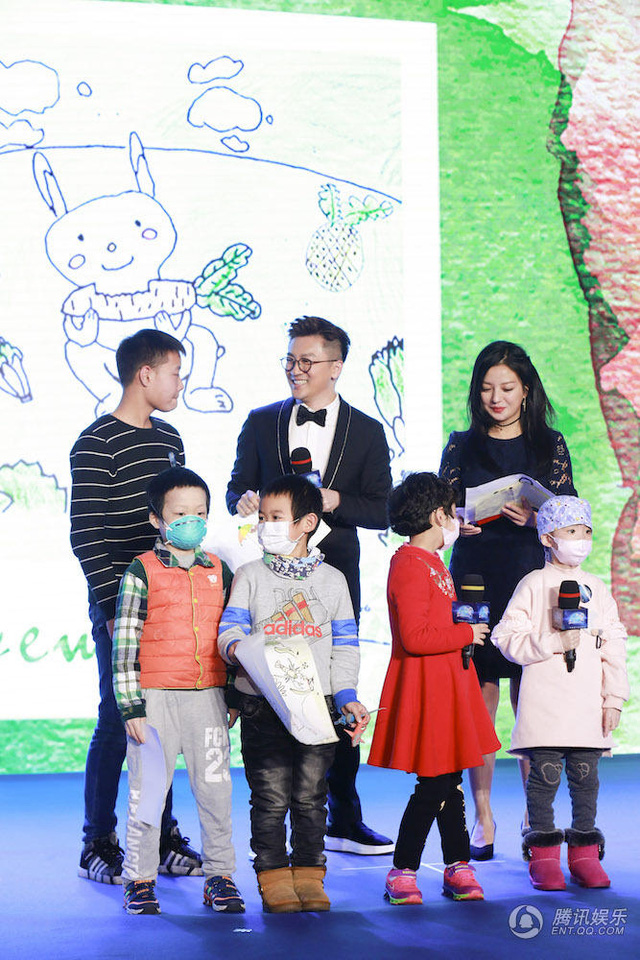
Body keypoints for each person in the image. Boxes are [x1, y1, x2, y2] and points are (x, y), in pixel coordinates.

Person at [226, 315, 393, 855]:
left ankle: (343, 815)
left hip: (334, 577)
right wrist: (244, 500)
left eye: (307, 362)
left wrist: (337, 501)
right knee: (274, 685)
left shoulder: (367, 431)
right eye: (290, 361)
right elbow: (235, 488)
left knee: (336, 687)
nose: (295, 371)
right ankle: (273, 825)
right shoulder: (261, 421)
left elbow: (383, 509)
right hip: (270, 577)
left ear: (336, 366)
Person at [70, 329, 202, 883]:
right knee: (115, 716)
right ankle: (97, 841)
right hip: (119, 605)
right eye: (175, 373)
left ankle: (162, 836)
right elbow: (86, 534)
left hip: (171, 600)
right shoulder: (95, 442)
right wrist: (113, 607)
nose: (180, 383)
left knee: (163, 719)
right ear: (145, 375)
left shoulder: (170, 438)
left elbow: (182, 524)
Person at [439, 340, 576, 859]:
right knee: (480, 698)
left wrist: (538, 518)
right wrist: (455, 521)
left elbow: (570, 516)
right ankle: (483, 815)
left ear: (525, 391)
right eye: (486, 388)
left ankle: (535, 814)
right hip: (475, 577)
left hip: (529, 577)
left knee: (531, 700)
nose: (495, 398)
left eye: (507, 388)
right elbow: (441, 512)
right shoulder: (461, 446)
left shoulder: (549, 445)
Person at [218, 474, 369, 912]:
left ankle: (309, 874)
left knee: (310, 797)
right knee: (269, 798)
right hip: (261, 704)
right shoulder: (249, 575)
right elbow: (229, 630)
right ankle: (272, 877)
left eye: (276, 517)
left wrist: (346, 695)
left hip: (316, 706)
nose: (265, 525)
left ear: (307, 523)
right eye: (262, 517)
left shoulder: (334, 580)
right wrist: (235, 649)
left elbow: (346, 645)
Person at [112, 466, 244, 915]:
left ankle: (220, 875)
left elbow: (231, 638)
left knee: (216, 792)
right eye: (180, 513)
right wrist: (131, 707)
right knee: (148, 793)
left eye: (200, 512)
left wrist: (233, 695)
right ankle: (139, 878)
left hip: (208, 698)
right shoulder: (141, 571)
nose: (192, 520)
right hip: (154, 701)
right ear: (157, 519)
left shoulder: (220, 571)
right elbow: (124, 644)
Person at [368, 473, 499, 906]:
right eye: (452, 512)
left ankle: (457, 864)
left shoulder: (433, 561)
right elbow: (415, 636)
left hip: (449, 683)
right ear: (438, 515)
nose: (457, 520)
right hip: (429, 688)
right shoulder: (409, 563)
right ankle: (403, 869)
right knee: (435, 783)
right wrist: (466, 634)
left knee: (449, 779)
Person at [492, 495, 629, 890]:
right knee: (544, 779)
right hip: (545, 705)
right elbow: (505, 637)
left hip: (586, 705)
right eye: (572, 532)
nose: (581, 540)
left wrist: (614, 699)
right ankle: (544, 857)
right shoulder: (534, 584)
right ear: (548, 538)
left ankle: (584, 855)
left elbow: (614, 645)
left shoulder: (597, 587)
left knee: (586, 781)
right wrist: (553, 641)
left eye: (586, 531)